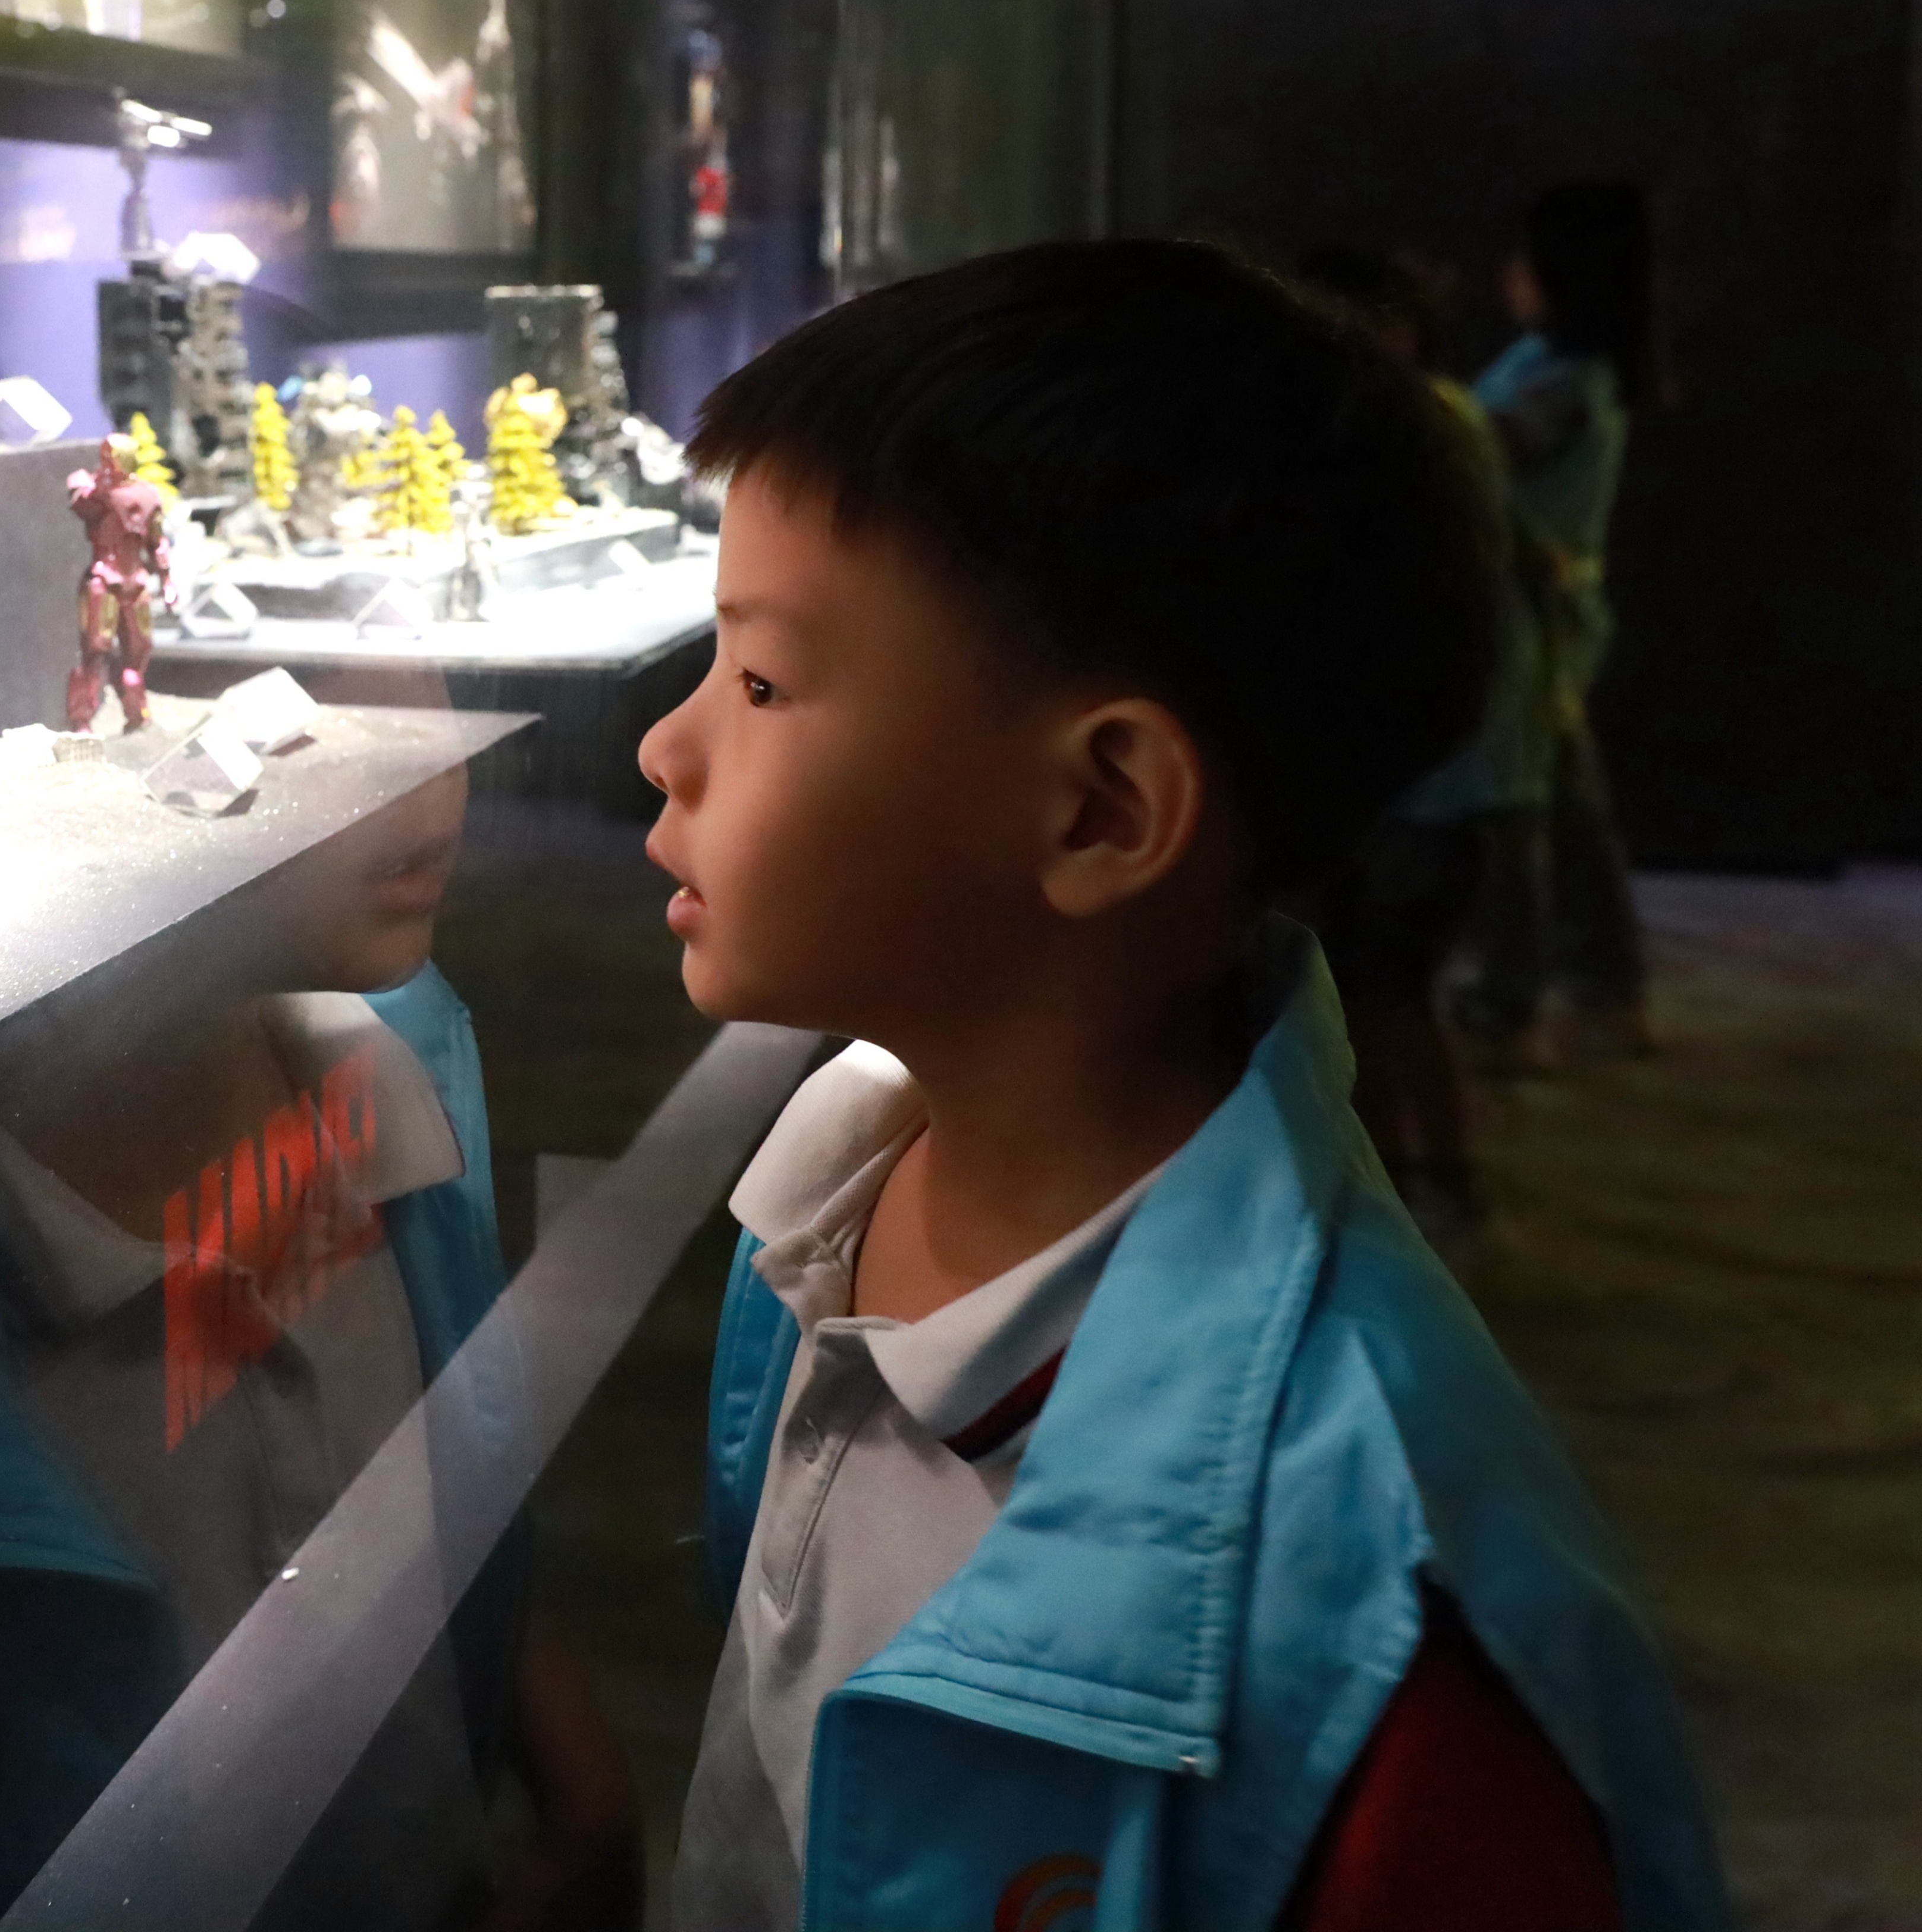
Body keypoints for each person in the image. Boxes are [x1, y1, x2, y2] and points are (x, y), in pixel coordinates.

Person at [637, 243, 1723, 1931]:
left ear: (1101, 811)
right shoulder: (820, 1218)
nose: (670, 745)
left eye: (763, 681)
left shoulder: (1387, 1645)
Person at [0, 761, 639, 1930]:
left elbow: (429, 1457)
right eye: (287, 683)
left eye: (424, 678)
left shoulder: (403, 1043)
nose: (425, 754)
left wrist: (574, 1772)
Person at [1293, 248, 1550, 1248]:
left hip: (1430, 778)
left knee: (1385, 993)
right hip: (1427, 773)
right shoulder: (1431, 421)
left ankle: (1432, 1187)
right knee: (1374, 992)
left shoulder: (1412, 428)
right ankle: (1411, 1184)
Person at [1461, 182, 1664, 1067]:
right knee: (1565, 803)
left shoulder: (1561, 383)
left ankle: (1527, 995)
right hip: (1531, 621)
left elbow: (1478, 449)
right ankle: (1600, 984)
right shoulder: (1552, 365)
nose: (1509, 273)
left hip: (1532, 624)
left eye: (1528, 259)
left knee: (1525, 811)